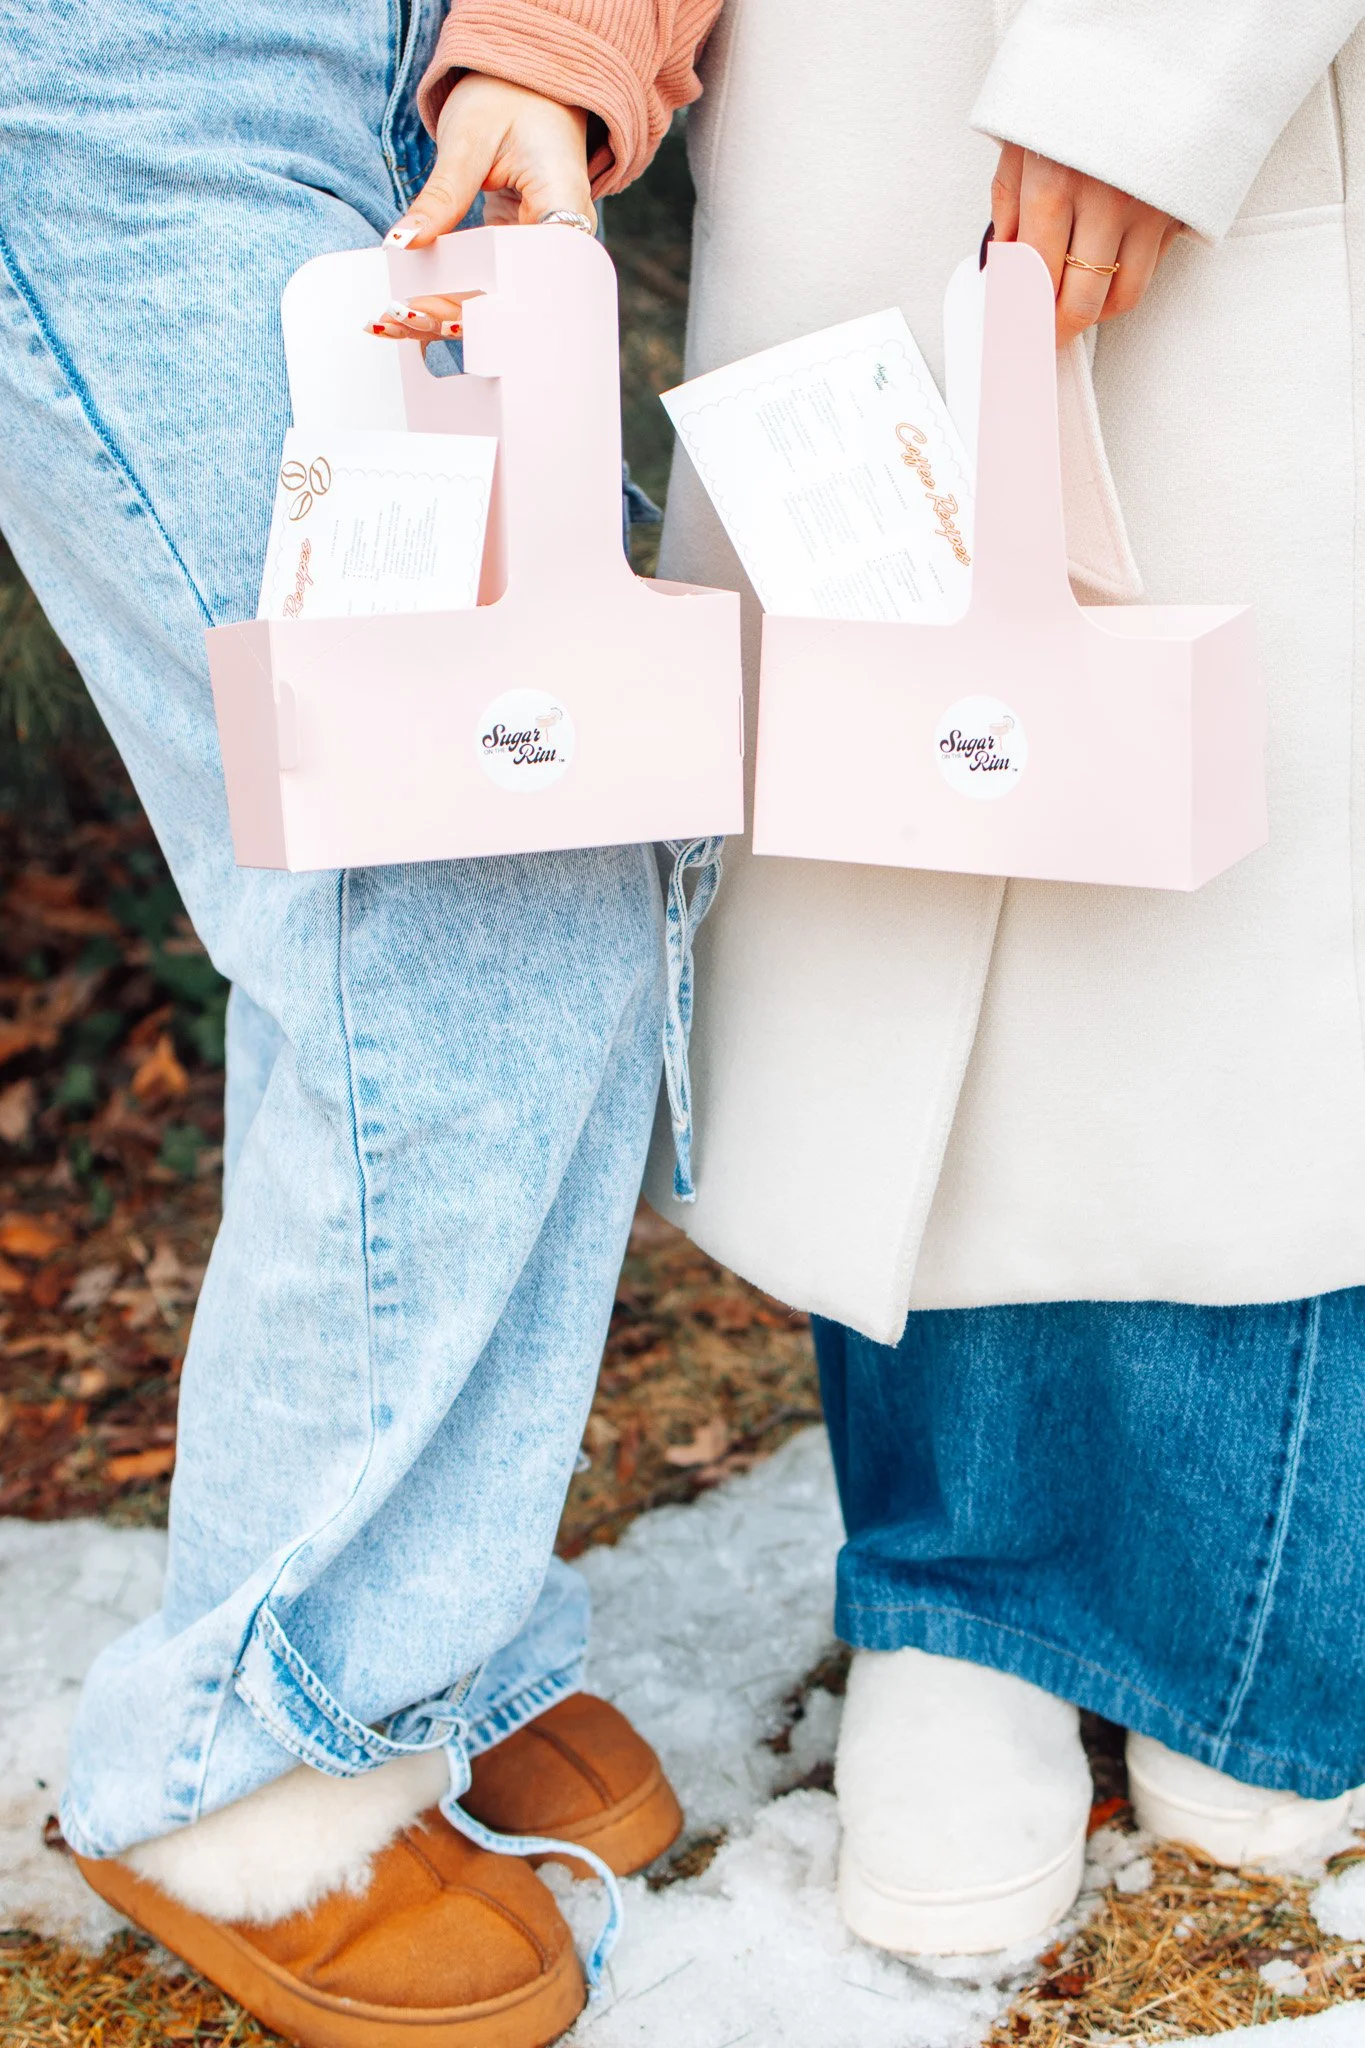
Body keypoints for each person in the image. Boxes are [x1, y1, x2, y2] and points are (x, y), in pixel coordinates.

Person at [0, 6, 716, 2046]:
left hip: (407, 59)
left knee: (535, 805)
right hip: (135, 69)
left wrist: (563, 36)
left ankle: (424, 1641)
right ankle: (250, 1753)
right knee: (439, 878)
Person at [631, 0, 1365, 1959]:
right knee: (905, 869)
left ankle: (1254, 1612)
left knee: (1233, 906)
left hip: (1240, 88)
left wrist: (1157, 67)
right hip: (843, 113)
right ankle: (952, 1605)